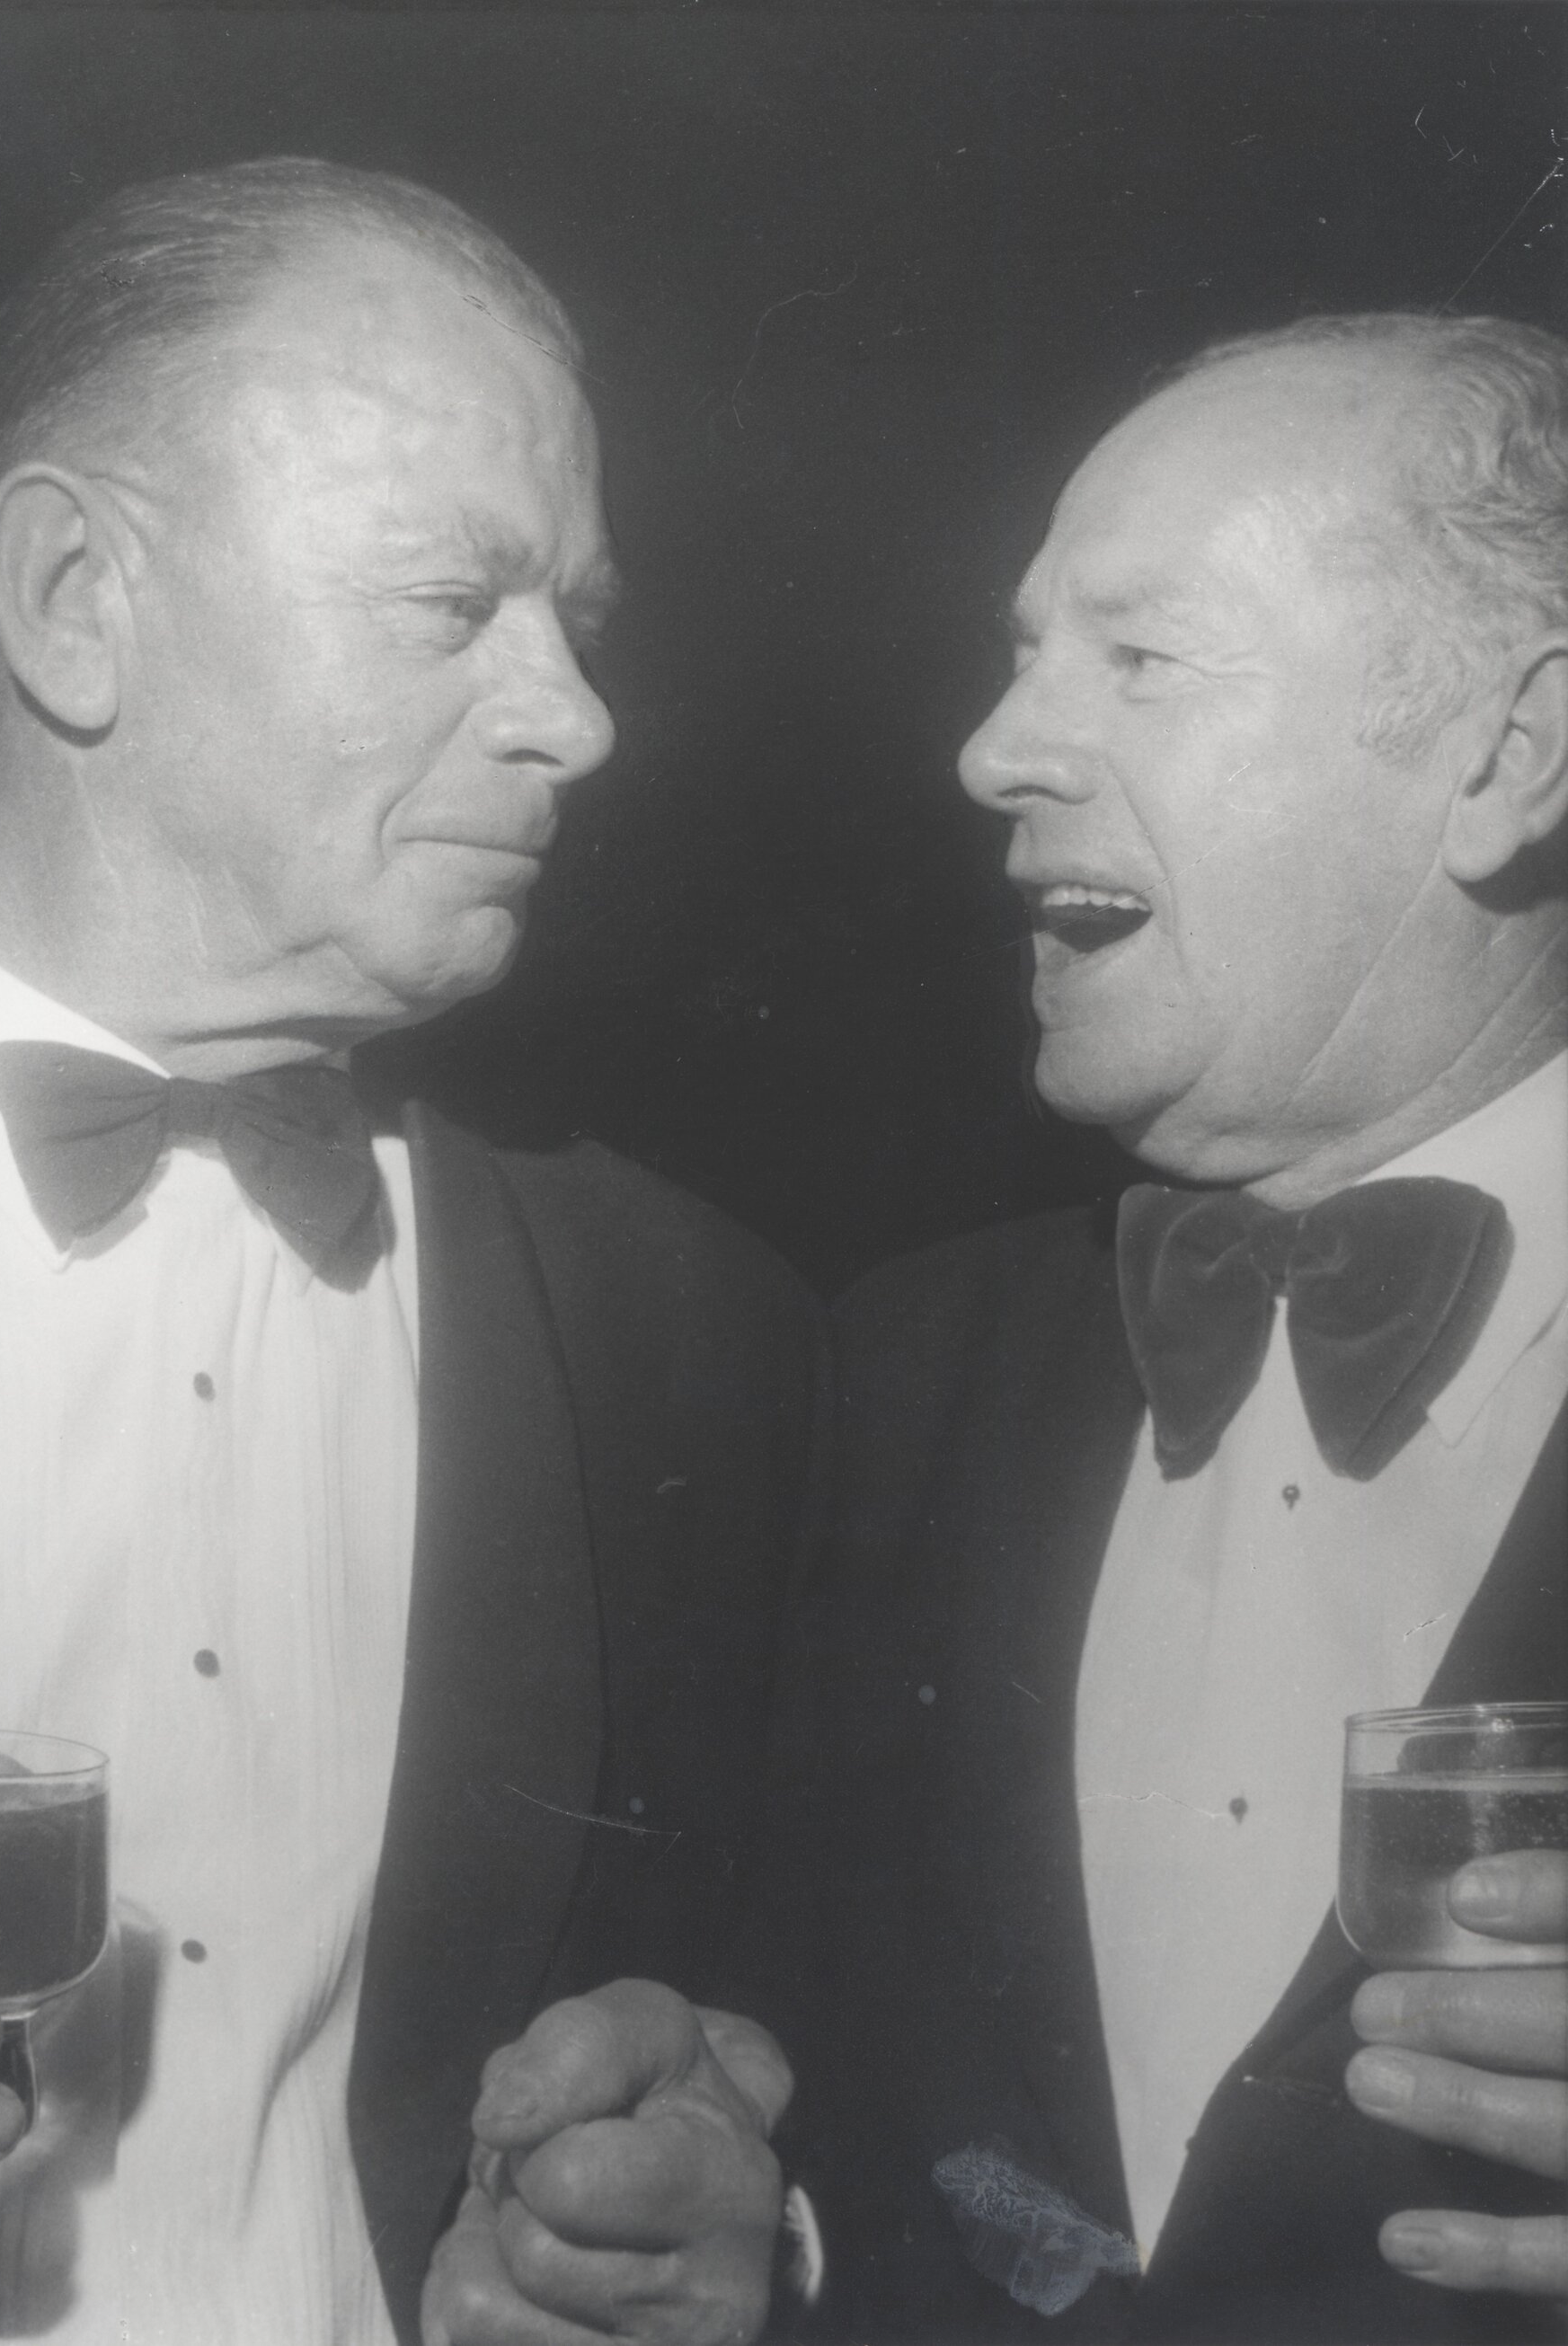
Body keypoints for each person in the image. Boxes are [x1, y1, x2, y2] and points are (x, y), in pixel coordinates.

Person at [433, 311, 1568, 2346]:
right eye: (1025, 652)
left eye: (1137, 656)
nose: (992, 752)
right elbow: (830, 2093)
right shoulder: (897, 1374)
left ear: (1507, 754)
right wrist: (739, 2226)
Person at [0, 159, 817, 2345]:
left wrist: (740, 2223)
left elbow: (838, 2038)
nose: (576, 719)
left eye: (579, 622)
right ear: (72, 598)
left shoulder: (684, 1322)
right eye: (456, 605)